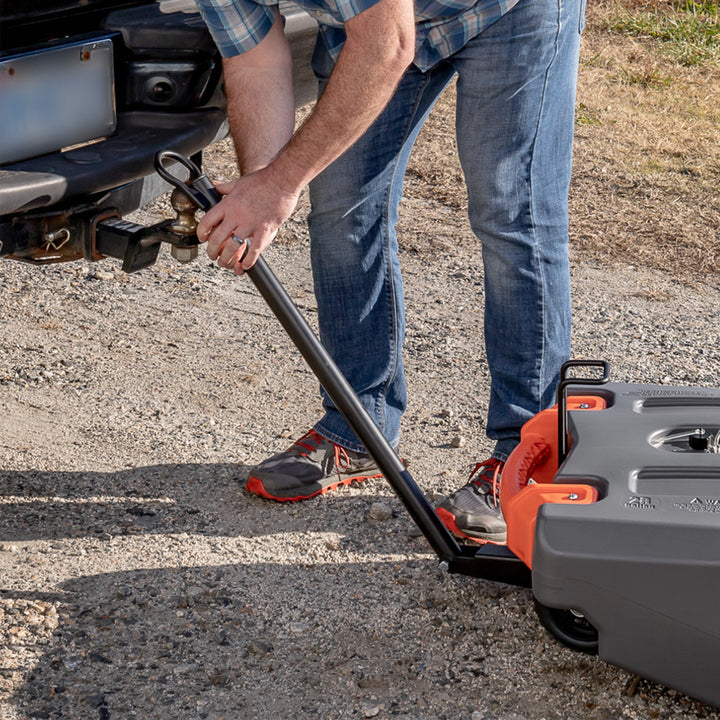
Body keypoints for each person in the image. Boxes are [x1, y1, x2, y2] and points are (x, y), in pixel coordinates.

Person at [194, 0, 585, 545]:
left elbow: (388, 45)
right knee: (340, 203)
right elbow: (255, 59)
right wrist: (261, 185)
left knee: (512, 211)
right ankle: (359, 426)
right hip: (378, 22)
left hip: (506, 12)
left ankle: (529, 455)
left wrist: (279, 185)